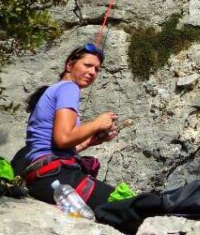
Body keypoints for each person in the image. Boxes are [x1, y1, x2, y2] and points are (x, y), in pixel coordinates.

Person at [19, 43, 124, 210]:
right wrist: (98, 122)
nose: (92, 72)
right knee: (127, 203)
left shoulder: (55, 89)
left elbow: (53, 146)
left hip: (44, 179)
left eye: (97, 69)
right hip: (56, 176)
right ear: (69, 65)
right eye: (87, 65)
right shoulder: (69, 88)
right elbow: (63, 139)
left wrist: (88, 142)